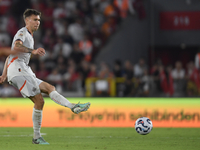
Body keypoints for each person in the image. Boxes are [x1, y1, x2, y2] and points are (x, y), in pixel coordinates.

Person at [0, 9, 91, 145]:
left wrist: (4, 74)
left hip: (22, 70)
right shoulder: (22, 32)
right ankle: (37, 137)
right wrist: (33, 51)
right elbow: (18, 46)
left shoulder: (29, 35)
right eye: (35, 19)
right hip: (19, 71)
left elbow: (10, 54)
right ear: (27, 21)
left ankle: (73, 106)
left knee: (49, 87)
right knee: (39, 101)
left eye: (39, 20)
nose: (38, 22)